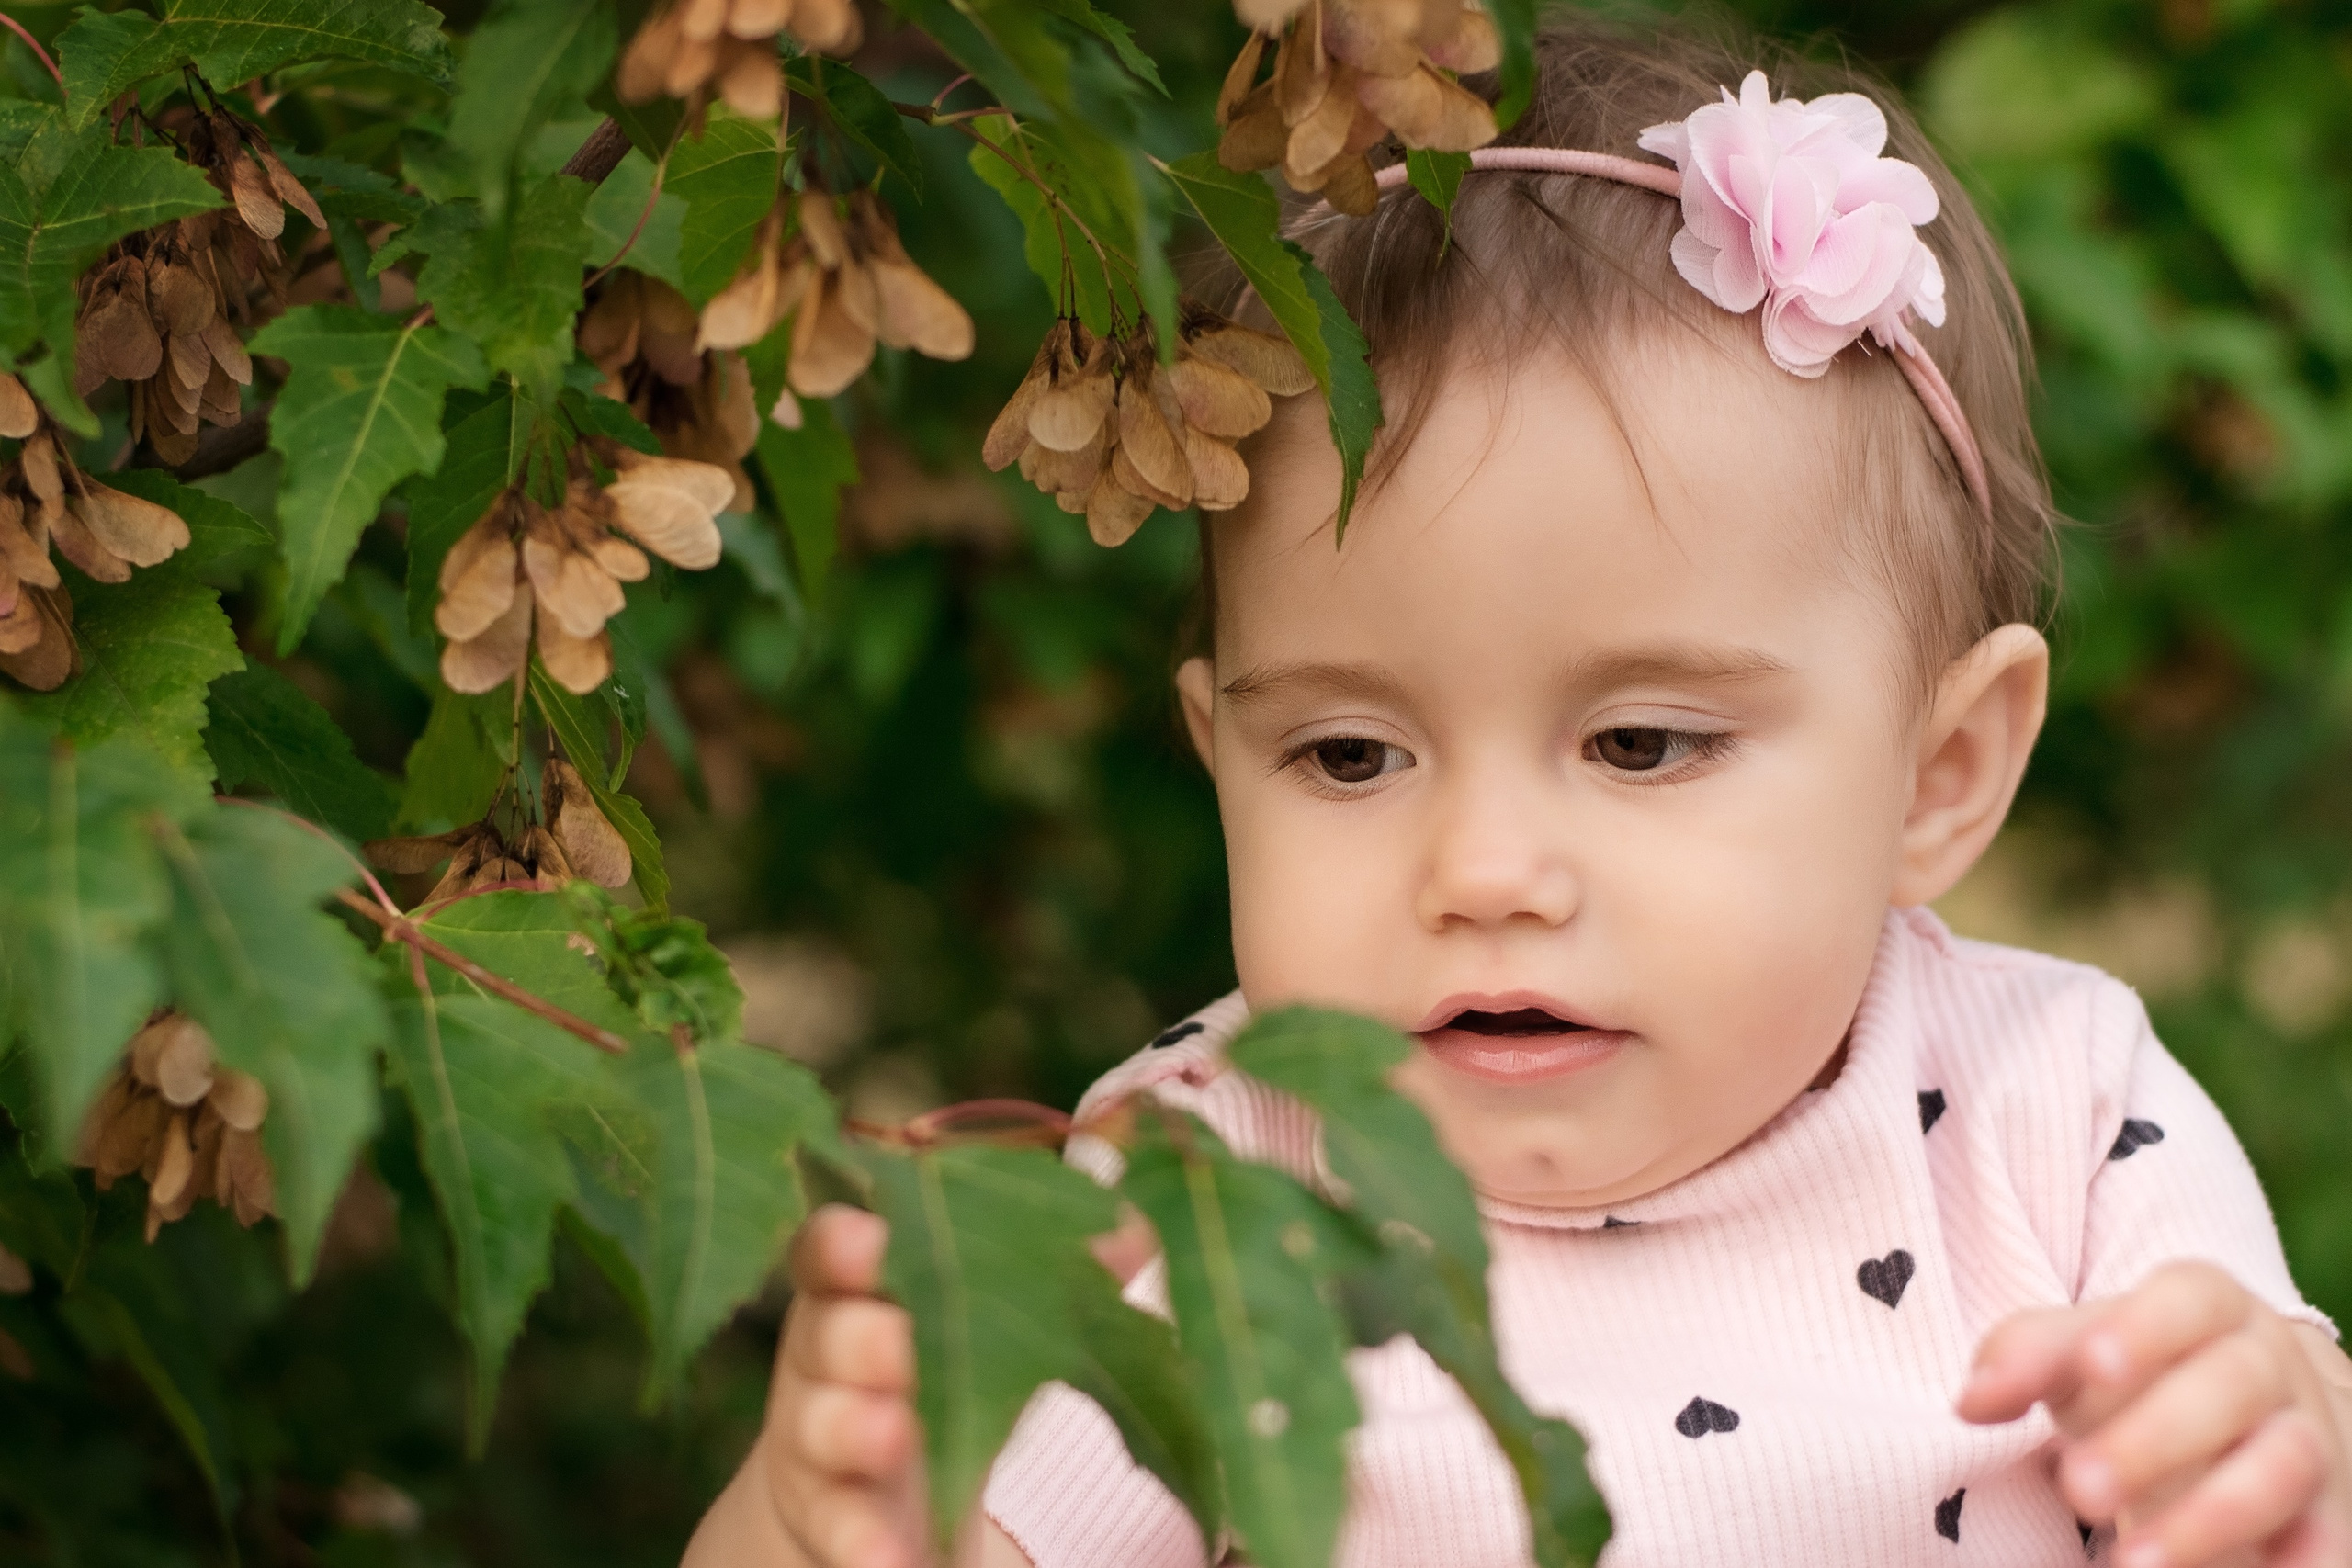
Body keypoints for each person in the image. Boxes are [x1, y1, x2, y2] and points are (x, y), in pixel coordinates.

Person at [685, 15, 2352, 1568]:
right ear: (1220, 764)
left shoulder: (2050, 1116)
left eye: (1641, 744)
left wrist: (2284, 1463)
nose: (1483, 872)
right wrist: (831, 1513)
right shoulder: (1201, 1189)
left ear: (1942, 770)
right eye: (1348, 756)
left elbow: (2273, 1475)